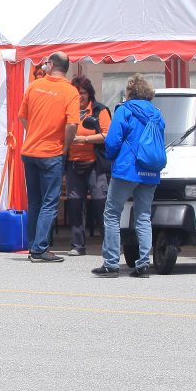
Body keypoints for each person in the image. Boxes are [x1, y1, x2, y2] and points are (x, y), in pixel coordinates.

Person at [92, 74, 167, 279]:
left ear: (130, 92)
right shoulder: (157, 114)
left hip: (127, 169)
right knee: (143, 216)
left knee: (112, 213)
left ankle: (111, 264)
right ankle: (143, 265)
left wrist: (110, 157)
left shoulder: (124, 110)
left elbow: (112, 141)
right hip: (150, 169)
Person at [18, 50, 80, 262]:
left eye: (46, 62)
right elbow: (72, 124)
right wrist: (65, 146)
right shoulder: (70, 91)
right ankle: (39, 249)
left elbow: (22, 117)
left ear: (51, 65)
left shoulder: (34, 86)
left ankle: (33, 245)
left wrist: (34, 132)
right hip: (51, 152)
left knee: (34, 202)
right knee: (49, 203)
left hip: (29, 151)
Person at [64, 75, 111, 257]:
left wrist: (85, 139)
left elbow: (107, 135)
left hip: (95, 165)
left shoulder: (100, 110)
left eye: (83, 92)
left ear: (89, 93)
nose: (80, 96)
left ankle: (109, 245)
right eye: (76, 93)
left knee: (101, 203)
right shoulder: (68, 110)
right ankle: (77, 245)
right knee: (75, 204)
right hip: (73, 163)